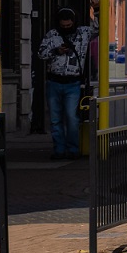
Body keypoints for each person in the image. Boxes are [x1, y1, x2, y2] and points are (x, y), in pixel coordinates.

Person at [37, 8, 94, 160]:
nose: (66, 28)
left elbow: (100, 27)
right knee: (55, 119)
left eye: (69, 26)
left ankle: (73, 149)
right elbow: (40, 53)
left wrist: (97, 9)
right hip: (54, 81)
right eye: (64, 26)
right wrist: (56, 51)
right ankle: (59, 150)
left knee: (71, 117)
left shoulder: (83, 32)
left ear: (74, 22)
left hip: (73, 82)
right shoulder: (52, 35)